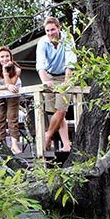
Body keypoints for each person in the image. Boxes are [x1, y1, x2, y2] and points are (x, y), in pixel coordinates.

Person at [35, 16, 77, 152]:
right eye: (47, 30)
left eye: (52, 29)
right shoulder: (42, 42)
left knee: (62, 109)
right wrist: (45, 81)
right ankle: (66, 144)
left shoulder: (68, 39)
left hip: (65, 76)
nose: (50, 33)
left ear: (59, 28)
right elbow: (40, 64)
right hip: (49, 76)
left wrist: (66, 82)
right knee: (55, 112)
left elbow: (70, 63)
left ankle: (48, 135)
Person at [0, 46, 22, 154]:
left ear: (11, 57)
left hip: (14, 90)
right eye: (2, 57)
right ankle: (1, 144)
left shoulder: (17, 69)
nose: (5, 59)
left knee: (12, 116)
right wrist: (6, 86)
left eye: (7, 56)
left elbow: (12, 85)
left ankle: (14, 145)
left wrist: (5, 71)